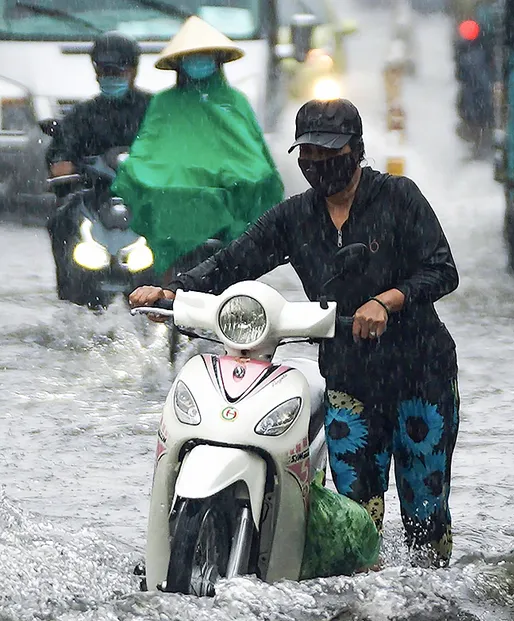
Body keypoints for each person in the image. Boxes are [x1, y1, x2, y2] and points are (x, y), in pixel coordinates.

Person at [130, 99, 461, 569]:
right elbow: (235, 261)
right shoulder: (295, 217)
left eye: (331, 153)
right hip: (349, 378)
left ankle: (433, 597)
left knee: (425, 516)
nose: (320, 164)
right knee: (355, 520)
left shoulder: (398, 197)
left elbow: (443, 270)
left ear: (356, 150)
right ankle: (364, 599)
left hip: (420, 375)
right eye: (310, 155)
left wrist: (387, 301)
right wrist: (174, 291)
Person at [112, 16, 284, 281]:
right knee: (161, 203)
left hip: (225, 190)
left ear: (217, 59)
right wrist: (138, 169)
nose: (198, 62)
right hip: (171, 193)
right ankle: (167, 286)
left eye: (204, 56)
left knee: (247, 190)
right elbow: (149, 147)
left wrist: (234, 173)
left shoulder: (234, 101)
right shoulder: (164, 102)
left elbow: (251, 153)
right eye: (191, 57)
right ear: (180, 63)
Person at [46, 31, 151, 180]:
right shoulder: (82, 114)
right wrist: (76, 165)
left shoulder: (154, 109)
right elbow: (59, 162)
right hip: (94, 189)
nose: (110, 77)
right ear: (96, 72)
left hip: (146, 187)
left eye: (117, 72)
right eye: (105, 71)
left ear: (134, 71)